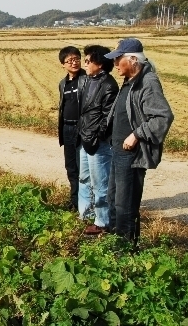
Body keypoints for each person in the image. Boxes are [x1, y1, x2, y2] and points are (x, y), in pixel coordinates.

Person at [104, 38, 174, 249]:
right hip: (117, 150)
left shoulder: (148, 82)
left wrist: (136, 134)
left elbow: (163, 117)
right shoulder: (130, 80)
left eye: (118, 60)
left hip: (131, 154)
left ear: (133, 60)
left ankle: (124, 250)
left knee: (125, 204)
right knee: (113, 200)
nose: (115, 65)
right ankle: (114, 242)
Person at [78, 45, 119, 235]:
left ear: (100, 64)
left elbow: (107, 118)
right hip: (85, 138)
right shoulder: (87, 80)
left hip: (98, 143)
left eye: (88, 61)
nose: (84, 64)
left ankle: (103, 223)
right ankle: (88, 214)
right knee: (85, 178)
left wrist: (96, 136)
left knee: (100, 184)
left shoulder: (109, 85)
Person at [57, 46, 85, 212]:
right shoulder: (63, 84)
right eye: (70, 60)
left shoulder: (86, 79)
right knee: (71, 168)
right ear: (63, 64)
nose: (74, 63)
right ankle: (75, 202)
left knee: (84, 169)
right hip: (67, 128)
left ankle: (86, 204)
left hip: (82, 129)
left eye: (77, 59)